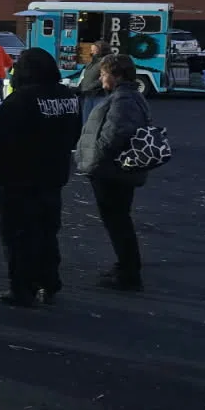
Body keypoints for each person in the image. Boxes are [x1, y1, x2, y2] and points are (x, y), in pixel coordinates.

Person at [0, 48, 81, 307]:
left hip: (19, 180)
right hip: (53, 176)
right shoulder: (68, 96)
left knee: (18, 237)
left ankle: (22, 288)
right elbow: (74, 134)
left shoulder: (20, 100)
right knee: (47, 232)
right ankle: (49, 282)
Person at [75, 54, 151, 292]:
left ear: (116, 76)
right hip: (117, 170)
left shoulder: (123, 101)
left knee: (117, 221)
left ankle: (129, 273)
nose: (101, 78)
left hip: (112, 172)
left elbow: (114, 135)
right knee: (119, 220)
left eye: (104, 73)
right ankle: (125, 266)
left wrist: (93, 159)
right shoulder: (128, 97)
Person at [75, 41, 113, 124]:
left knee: (96, 121)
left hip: (98, 95)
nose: (91, 52)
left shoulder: (105, 62)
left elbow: (103, 78)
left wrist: (89, 87)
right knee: (85, 121)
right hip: (87, 95)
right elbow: (86, 77)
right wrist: (80, 88)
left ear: (100, 50)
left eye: (93, 50)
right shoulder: (91, 63)